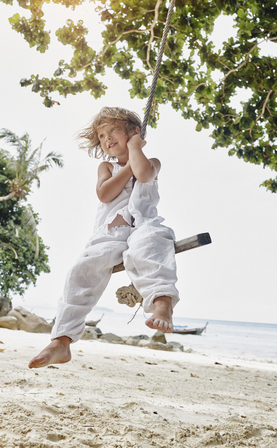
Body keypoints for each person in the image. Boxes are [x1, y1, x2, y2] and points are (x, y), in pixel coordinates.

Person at [28, 107, 179, 369]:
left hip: (144, 225)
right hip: (111, 232)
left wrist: (135, 149)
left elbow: (143, 174)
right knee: (82, 269)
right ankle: (61, 341)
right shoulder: (106, 167)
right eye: (101, 135)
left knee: (154, 245)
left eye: (113, 131)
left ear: (134, 132)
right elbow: (105, 194)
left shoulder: (151, 162)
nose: (107, 138)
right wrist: (128, 166)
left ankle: (162, 303)